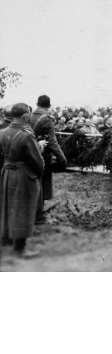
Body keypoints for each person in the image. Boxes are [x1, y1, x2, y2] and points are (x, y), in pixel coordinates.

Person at [0, 103, 45, 258]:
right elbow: (38, 162)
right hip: (23, 175)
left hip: (6, 173)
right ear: (25, 116)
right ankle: (20, 248)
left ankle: (5, 241)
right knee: (23, 210)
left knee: (7, 207)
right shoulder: (26, 135)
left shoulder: (2, 132)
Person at [29, 95, 67, 225]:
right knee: (42, 185)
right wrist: (62, 159)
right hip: (42, 156)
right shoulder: (47, 119)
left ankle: (32, 212)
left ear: (37, 103)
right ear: (49, 106)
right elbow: (52, 142)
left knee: (33, 183)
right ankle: (38, 216)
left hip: (29, 154)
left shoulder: (28, 115)